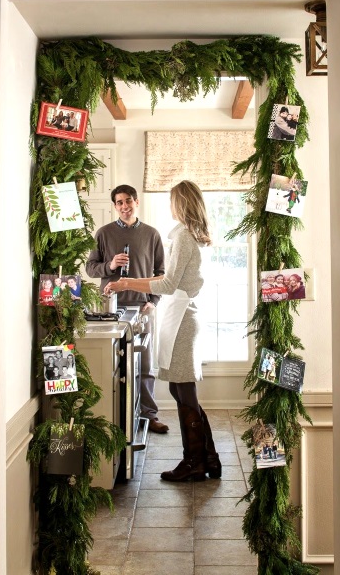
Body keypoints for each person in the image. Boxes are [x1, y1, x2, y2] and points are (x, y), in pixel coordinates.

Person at [105, 180, 221, 482]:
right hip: (182, 314)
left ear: (181, 203)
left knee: (184, 389)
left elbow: (168, 284)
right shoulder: (193, 235)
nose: (170, 206)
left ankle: (195, 462)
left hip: (182, 318)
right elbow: (171, 281)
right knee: (180, 388)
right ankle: (208, 458)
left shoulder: (184, 236)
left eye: (173, 201)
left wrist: (128, 282)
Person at [86, 184, 168, 434]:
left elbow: (162, 274)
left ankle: (149, 415)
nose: (124, 206)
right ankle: (114, 418)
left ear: (136, 202)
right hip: (110, 310)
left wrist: (152, 302)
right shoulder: (103, 233)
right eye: (119, 202)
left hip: (142, 308)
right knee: (111, 365)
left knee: (144, 365)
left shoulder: (152, 234)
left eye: (128, 201)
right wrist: (110, 265)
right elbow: (90, 269)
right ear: (114, 206)